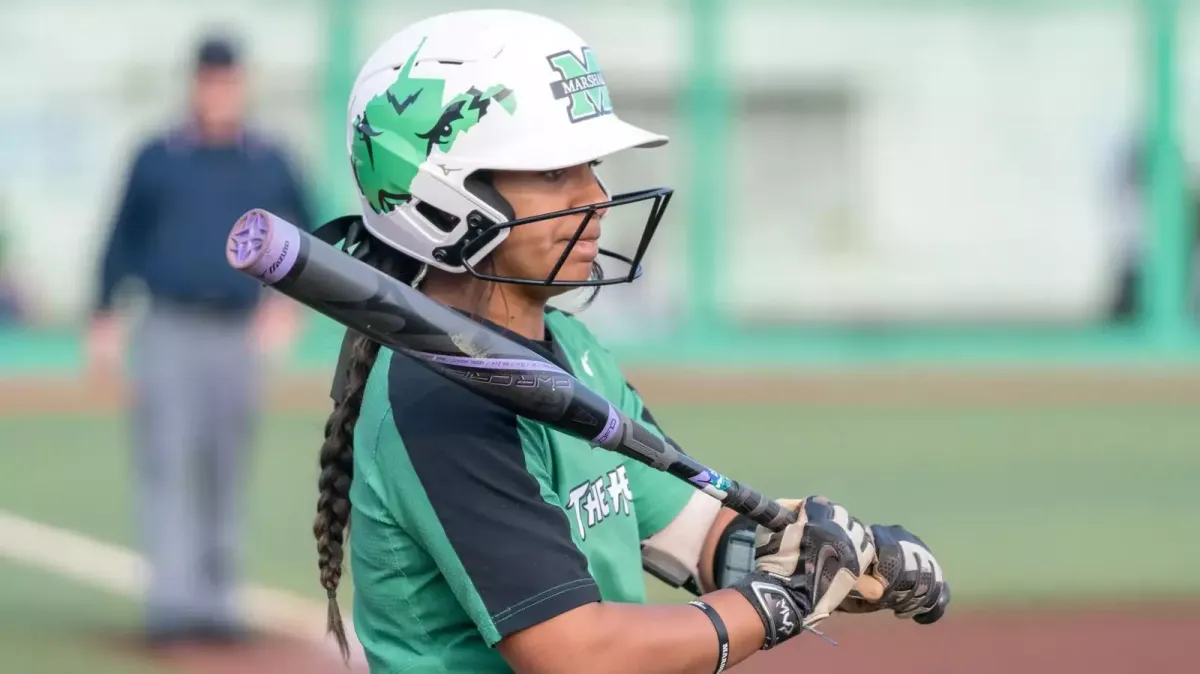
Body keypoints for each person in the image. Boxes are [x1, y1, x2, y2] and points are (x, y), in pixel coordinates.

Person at [311, 10, 949, 673]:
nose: (596, 196)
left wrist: (824, 556)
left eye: (590, 165)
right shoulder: (442, 402)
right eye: (557, 172)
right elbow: (573, 652)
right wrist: (775, 603)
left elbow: (690, 533)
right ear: (446, 197)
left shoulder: (573, 348)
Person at [89, 34, 312, 645]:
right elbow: (120, 237)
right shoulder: (158, 156)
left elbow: (310, 238)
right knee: (166, 460)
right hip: (168, 326)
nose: (218, 92)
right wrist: (103, 316)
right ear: (194, 84)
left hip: (237, 333)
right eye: (209, 80)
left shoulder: (269, 159)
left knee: (225, 464)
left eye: (228, 81)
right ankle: (170, 603)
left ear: (243, 85)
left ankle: (217, 604)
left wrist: (287, 309)